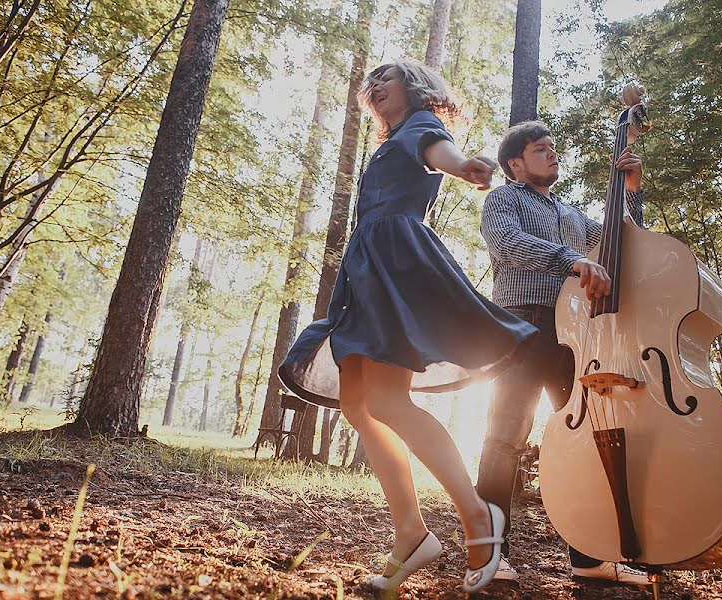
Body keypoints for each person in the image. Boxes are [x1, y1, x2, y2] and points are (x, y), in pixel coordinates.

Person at [278, 60, 539, 593]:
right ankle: (412, 534)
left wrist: (464, 166)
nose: (374, 87)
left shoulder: (421, 125)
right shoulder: (389, 138)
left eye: (386, 79)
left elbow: (440, 154)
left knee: (390, 401)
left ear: (414, 89)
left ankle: (477, 516)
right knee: (358, 403)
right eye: (369, 82)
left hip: (396, 265)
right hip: (367, 267)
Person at [476, 121, 650, 586]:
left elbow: (623, 243)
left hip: (576, 335)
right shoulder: (504, 199)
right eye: (540, 149)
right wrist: (571, 260)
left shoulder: (573, 215)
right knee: (504, 438)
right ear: (516, 162)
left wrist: (630, 191)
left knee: (588, 440)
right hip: (521, 324)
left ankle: (588, 556)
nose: (552, 154)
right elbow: (509, 246)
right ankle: (488, 553)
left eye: (553, 148)